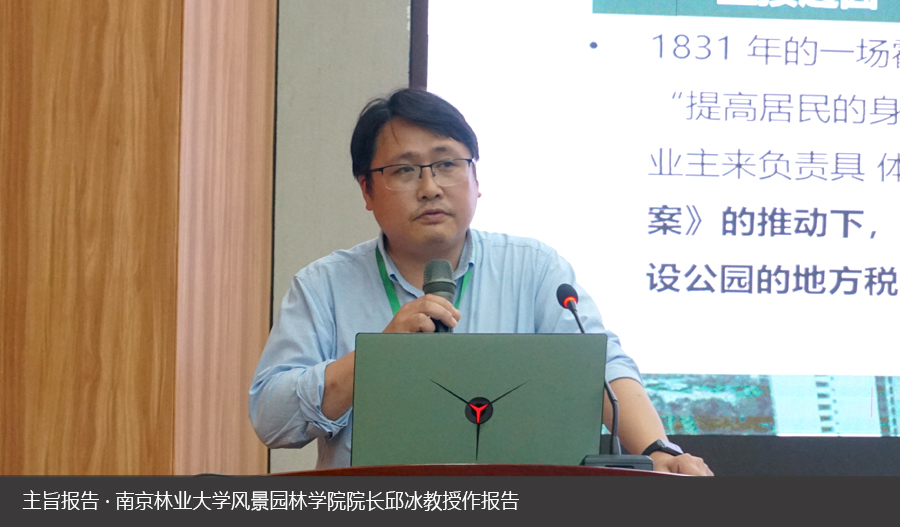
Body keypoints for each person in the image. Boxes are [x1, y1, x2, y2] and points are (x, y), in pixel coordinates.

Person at [249, 88, 713, 476]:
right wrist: (375, 359)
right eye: (405, 170)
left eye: (447, 164)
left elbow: (601, 367)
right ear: (367, 190)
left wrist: (657, 450)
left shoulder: (534, 270)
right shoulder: (324, 286)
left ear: (475, 177)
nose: (430, 187)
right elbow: (271, 418)